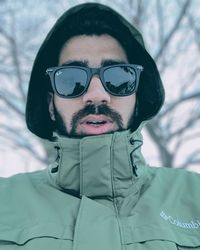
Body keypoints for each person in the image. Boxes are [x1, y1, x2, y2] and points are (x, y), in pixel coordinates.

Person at [0, 3, 199, 250]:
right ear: (51, 104)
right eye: (71, 79)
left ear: (137, 100)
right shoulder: (4, 202)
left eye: (118, 77)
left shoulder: (195, 197)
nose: (96, 95)